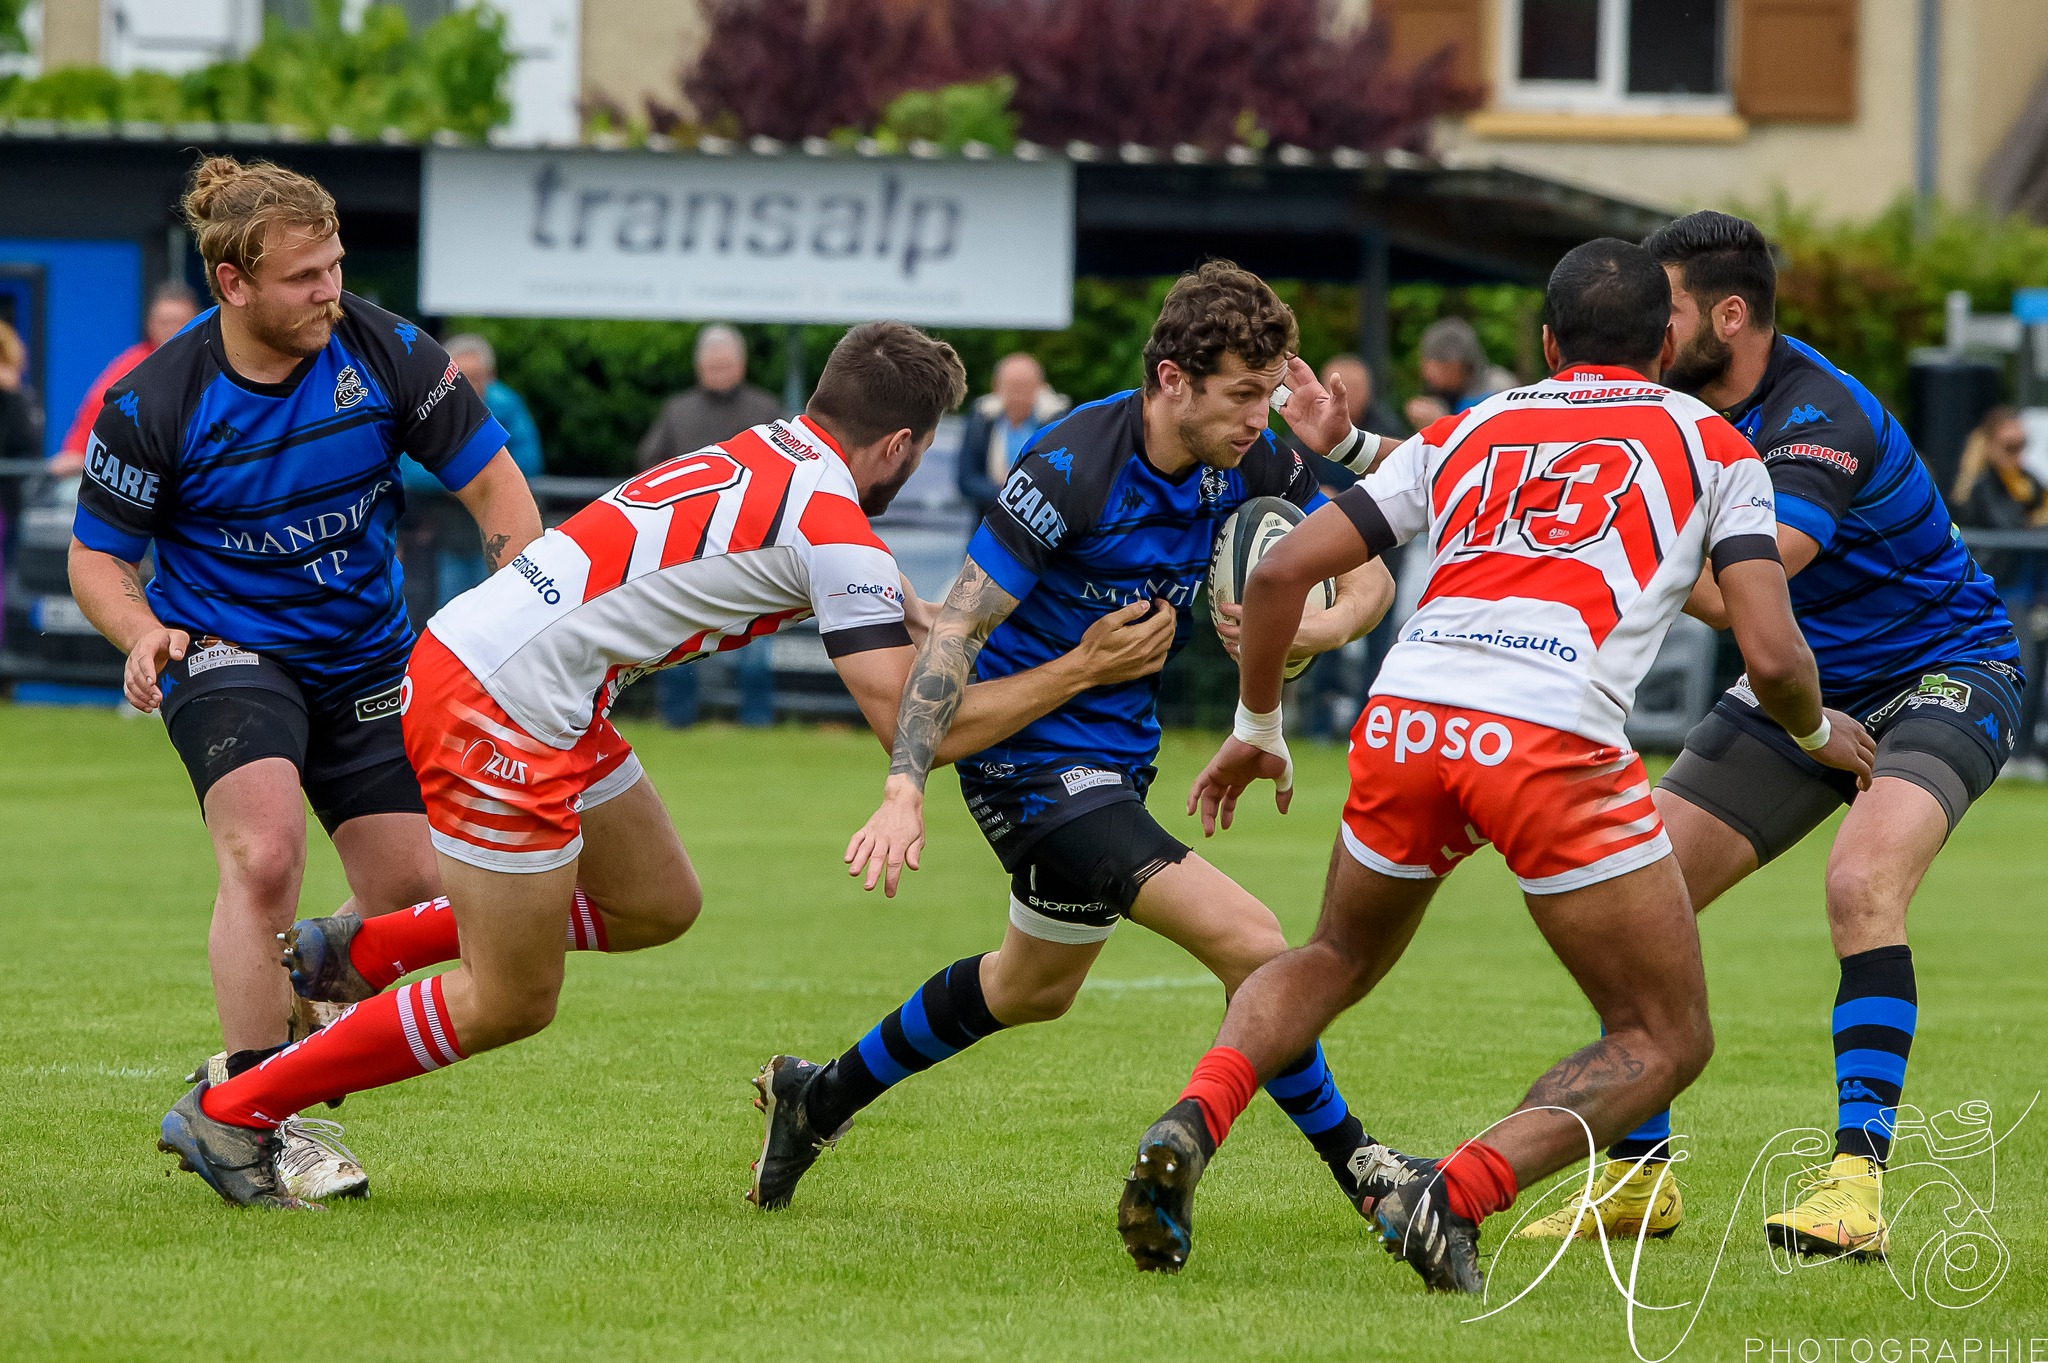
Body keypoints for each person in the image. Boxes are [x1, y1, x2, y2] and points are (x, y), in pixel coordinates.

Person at [156, 321, 1175, 1209]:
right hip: (497, 703)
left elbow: (809, 553)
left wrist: (907, 603)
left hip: (519, 674)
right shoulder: (837, 529)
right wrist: (1082, 667)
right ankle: (235, 1109)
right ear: (902, 443)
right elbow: (926, 724)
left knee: (656, 899)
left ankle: (364, 949)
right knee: (511, 996)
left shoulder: (780, 450)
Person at [1117, 238, 1871, 1293]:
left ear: (1548, 342)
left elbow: (1285, 566)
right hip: (1548, 736)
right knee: (1661, 1034)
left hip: (1406, 716)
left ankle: (1190, 1118)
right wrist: (1811, 735)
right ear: (1664, 339)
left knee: (1330, 954)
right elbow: (1776, 651)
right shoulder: (1714, 446)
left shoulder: (1477, 422)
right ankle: (1453, 1194)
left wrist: (1258, 721)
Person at [757, 264, 1395, 1231]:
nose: (1260, 419)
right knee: (1258, 945)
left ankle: (819, 1097)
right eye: (1240, 395)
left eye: (1268, 395)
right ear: (1173, 380)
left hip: (1120, 758)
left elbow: (1372, 568)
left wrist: (1318, 629)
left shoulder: (1250, 457)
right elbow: (959, 630)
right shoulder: (1069, 468)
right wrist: (904, 783)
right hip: (1028, 764)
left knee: (1030, 987)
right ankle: (1371, 1175)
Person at [1519, 211, 2024, 1259]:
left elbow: (1756, 580)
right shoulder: (1669, 404)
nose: (1647, 331)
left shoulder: (1817, 413)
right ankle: (1635, 1177)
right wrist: (1344, 446)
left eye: (1665, 311)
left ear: (1729, 315)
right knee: (1630, 890)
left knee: (1858, 885)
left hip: (1940, 672)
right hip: (1800, 688)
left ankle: (1854, 1184)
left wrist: (1612, 555)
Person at [69, 156, 542, 1203]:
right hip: (226, 651)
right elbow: (96, 557)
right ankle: (252, 1112)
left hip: (368, 652)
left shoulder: (386, 349)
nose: (330, 289)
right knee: (266, 853)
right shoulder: (156, 398)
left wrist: (527, 617)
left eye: (334, 266)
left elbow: (498, 490)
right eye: (303, 277)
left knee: (411, 889)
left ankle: (283, 1001)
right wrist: (141, 631)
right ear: (233, 285)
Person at [638, 324, 783, 727]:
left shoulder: (765, 409)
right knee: (678, 634)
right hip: (687, 546)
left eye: (726, 364)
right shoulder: (677, 411)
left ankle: (757, 721)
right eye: (712, 364)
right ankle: (677, 718)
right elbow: (648, 465)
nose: (719, 372)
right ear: (699, 366)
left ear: (742, 364)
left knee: (756, 639)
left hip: (753, 544)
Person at [398, 333, 546, 609]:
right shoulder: (426, 404)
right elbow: (408, 469)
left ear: (491, 376)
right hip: (443, 535)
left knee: (499, 607)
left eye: (475, 377)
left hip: (498, 531)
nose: (467, 386)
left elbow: (531, 461)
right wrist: (462, 479)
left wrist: (461, 475)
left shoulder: (508, 406)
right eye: (461, 377)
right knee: (449, 609)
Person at [1952, 408, 2046, 778]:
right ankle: (1999, 747)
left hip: (2031, 591)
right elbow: (2008, 528)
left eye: (2023, 445)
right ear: (1991, 447)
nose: (2018, 454)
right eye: (2010, 445)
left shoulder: (2028, 483)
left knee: (2036, 671)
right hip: (1997, 592)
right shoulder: (1978, 488)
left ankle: (2024, 752)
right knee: (2008, 670)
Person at [51, 282, 201, 476]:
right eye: (164, 322)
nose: (171, 329)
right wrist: (77, 451)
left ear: (198, 321)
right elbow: (99, 407)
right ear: (150, 324)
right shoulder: (132, 363)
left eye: (179, 322)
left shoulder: (211, 363)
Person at [954, 352, 1069, 519]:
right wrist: (1006, 493)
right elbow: (966, 480)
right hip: (990, 521)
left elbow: (1065, 482)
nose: (1018, 395)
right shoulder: (982, 418)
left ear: (1042, 387)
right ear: (996, 387)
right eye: (1012, 387)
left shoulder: (1058, 422)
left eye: (1025, 387)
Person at [1400, 317, 1513, 431]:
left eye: (1437, 366)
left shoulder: (1498, 389)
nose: (1426, 373)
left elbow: (1496, 440)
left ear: (1459, 365)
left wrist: (1442, 423)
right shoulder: (1443, 393)